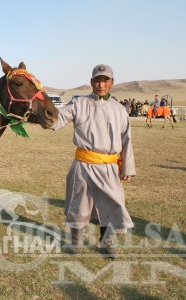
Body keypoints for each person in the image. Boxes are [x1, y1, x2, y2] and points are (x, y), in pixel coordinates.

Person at [51, 64, 136, 258]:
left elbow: (126, 139)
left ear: (112, 83)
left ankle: (107, 241)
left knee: (112, 203)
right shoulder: (79, 104)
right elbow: (57, 118)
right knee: (79, 203)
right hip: (83, 165)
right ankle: (76, 242)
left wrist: (127, 167)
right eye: (97, 80)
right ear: (91, 82)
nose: (101, 84)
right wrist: (37, 112)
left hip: (109, 166)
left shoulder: (119, 109)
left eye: (105, 80)